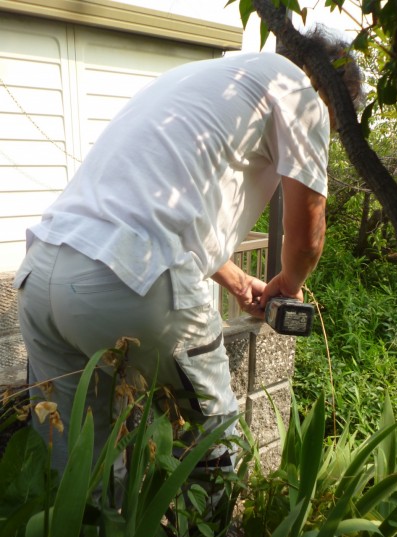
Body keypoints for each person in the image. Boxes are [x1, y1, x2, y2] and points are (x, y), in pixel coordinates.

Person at [14, 29, 362, 500]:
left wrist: (238, 283)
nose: (333, 130)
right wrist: (290, 282)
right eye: (341, 121)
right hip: (130, 284)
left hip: (40, 274)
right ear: (334, 91)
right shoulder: (301, 91)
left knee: (80, 469)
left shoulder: (208, 77)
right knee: (215, 447)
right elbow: (306, 237)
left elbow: (165, 209)